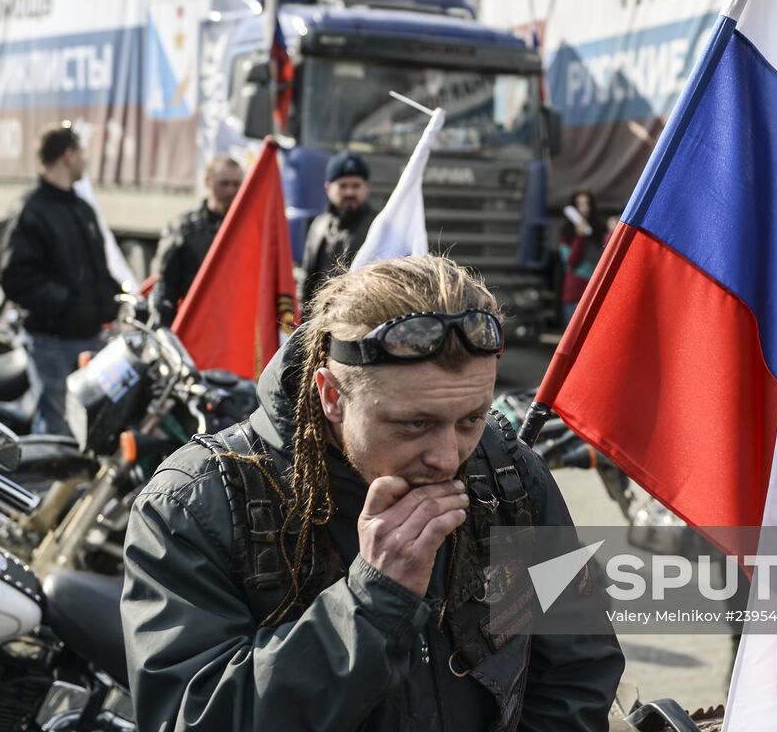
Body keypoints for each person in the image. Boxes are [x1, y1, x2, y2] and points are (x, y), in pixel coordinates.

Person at [122, 254, 624, 732]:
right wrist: (372, 602)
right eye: (413, 424)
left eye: (470, 418)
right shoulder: (196, 503)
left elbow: (575, 673)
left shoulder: (506, 471)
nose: (447, 457)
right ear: (331, 395)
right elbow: (191, 717)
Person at [0, 123, 119, 435]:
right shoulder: (30, 209)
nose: (85, 161)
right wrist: (68, 302)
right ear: (68, 156)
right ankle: (49, 484)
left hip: (89, 337)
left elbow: (98, 269)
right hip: (51, 342)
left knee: (88, 426)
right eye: (82, 153)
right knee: (57, 427)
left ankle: (77, 485)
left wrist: (113, 302)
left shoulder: (82, 209)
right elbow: (16, 278)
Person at [150, 155, 243, 324]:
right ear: (208, 181)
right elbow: (165, 288)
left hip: (237, 326)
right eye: (224, 183)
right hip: (197, 328)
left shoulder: (249, 229)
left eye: (236, 184)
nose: (231, 191)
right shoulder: (183, 229)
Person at [300, 149, 377, 310]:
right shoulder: (318, 226)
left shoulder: (378, 227)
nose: (349, 192)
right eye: (343, 186)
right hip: (321, 319)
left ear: (367, 187)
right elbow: (307, 281)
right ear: (328, 188)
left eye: (356, 185)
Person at [559, 190, 610, 325]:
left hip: (595, 292)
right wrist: (580, 237)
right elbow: (571, 262)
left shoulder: (599, 231)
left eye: (587, 204)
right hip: (574, 294)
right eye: (580, 205)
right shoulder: (567, 233)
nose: (584, 209)